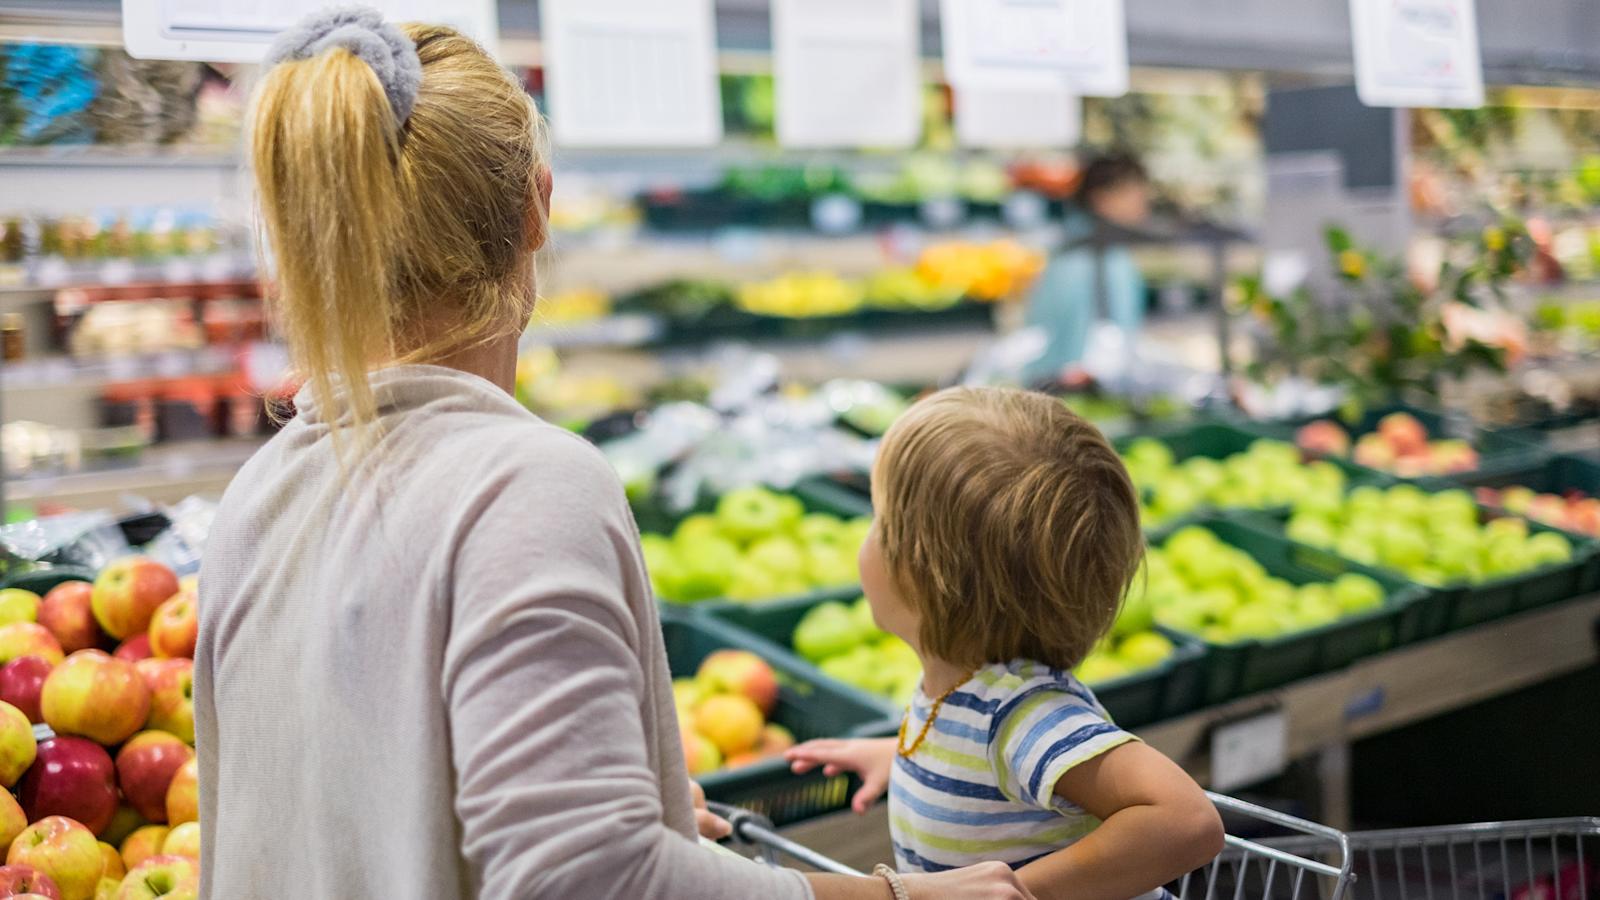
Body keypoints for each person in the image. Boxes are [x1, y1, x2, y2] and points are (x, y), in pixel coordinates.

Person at [194, 7, 1036, 900]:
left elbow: (363, 811)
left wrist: (641, 814)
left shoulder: (258, 495)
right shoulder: (525, 487)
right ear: (536, 208)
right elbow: (590, 881)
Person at [786, 387, 1225, 899]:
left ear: (926, 575)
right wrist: (902, 758)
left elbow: (1187, 820)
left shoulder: (1021, 714)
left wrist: (1014, 892)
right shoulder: (963, 692)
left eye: (880, 522)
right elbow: (983, 768)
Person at [1021, 155, 1155, 385]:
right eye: (1134, 194)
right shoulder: (1095, 257)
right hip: (1078, 385)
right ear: (1101, 198)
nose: (1143, 205)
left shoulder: (1074, 248)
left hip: (1059, 384)